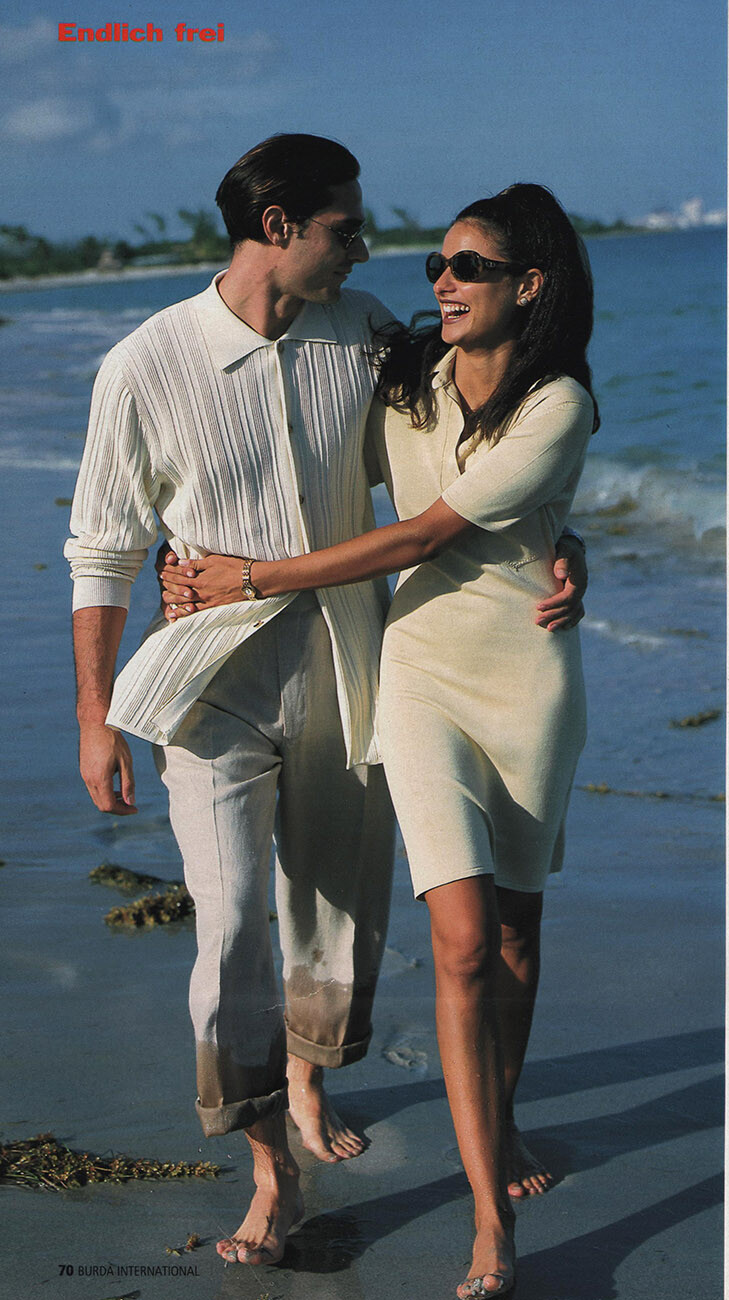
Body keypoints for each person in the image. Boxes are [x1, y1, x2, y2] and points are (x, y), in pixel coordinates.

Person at [66, 137, 586, 1272]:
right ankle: (270, 1166)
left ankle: (307, 1074)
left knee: (338, 920)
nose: (368, 246)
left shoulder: (368, 338)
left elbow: (470, 464)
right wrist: (95, 714)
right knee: (228, 927)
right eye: (346, 228)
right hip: (209, 687)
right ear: (279, 226)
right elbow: (101, 552)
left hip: (356, 672)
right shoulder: (145, 364)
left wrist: (565, 545)